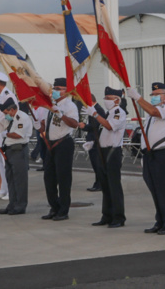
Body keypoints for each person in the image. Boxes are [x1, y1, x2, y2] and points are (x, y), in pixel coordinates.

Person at [128, 83, 165, 234]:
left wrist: (137, 97)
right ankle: (160, 220)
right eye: (152, 95)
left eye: (157, 94)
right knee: (155, 189)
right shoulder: (153, 112)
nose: (154, 97)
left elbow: (152, 111)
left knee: (164, 189)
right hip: (151, 155)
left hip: (164, 154)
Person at [86, 87, 128, 228]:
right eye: (105, 98)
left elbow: (110, 127)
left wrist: (95, 114)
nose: (106, 101)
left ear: (117, 100)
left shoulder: (118, 112)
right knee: (105, 185)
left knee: (114, 185)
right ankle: (107, 215)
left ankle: (118, 217)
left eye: (109, 98)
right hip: (103, 151)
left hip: (113, 152)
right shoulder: (110, 113)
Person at [0, 98, 33, 215]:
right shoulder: (9, 119)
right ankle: (12, 204)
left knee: (20, 180)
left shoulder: (22, 118)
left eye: (6, 113)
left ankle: (20, 206)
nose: (5, 115)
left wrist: (5, 133)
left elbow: (17, 135)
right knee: (10, 179)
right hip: (9, 151)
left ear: (12, 110)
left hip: (19, 150)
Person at [42, 78, 79, 221]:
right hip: (50, 144)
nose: (56, 91)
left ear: (66, 90)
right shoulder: (51, 105)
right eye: (54, 88)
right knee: (49, 178)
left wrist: (61, 114)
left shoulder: (70, 106)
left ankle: (63, 210)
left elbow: (75, 124)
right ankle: (54, 207)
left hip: (63, 143)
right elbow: (47, 125)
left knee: (63, 178)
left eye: (59, 88)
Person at [79, 94, 106, 191]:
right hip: (92, 139)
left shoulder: (98, 110)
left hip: (96, 140)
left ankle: (100, 184)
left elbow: (96, 125)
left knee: (97, 164)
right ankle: (97, 183)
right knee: (95, 164)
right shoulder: (93, 109)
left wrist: (84, 126)